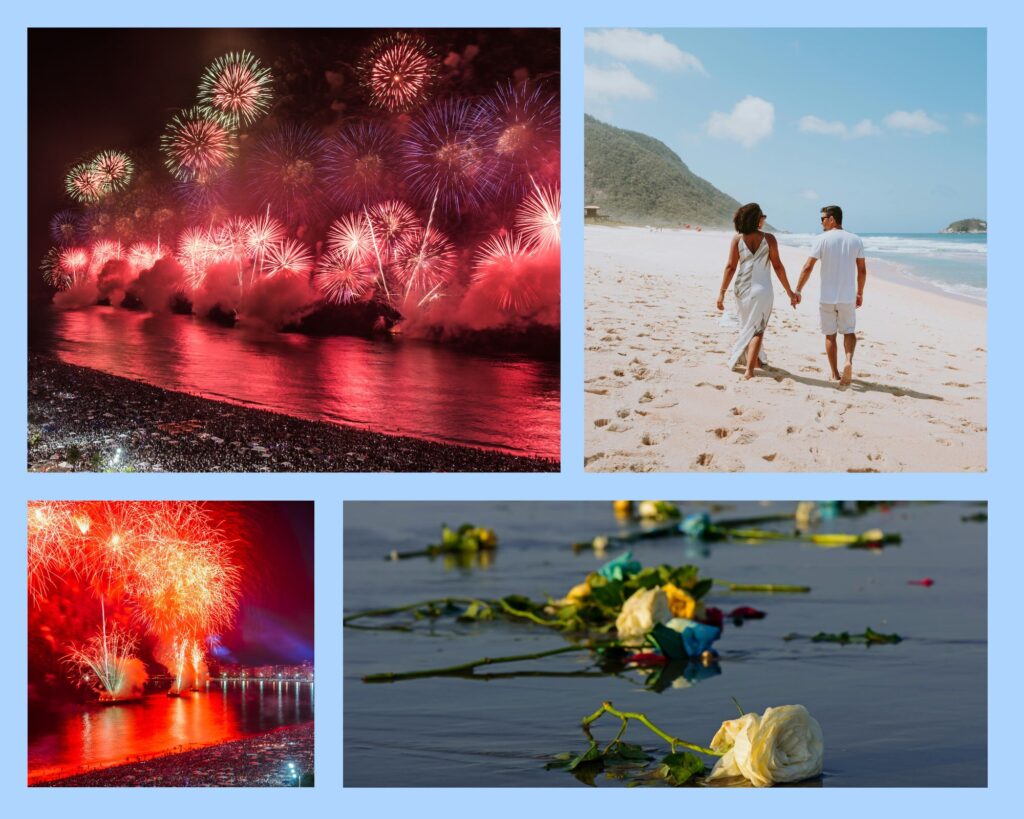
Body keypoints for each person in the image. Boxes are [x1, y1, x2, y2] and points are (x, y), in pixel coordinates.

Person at [717, 202, 799, 379]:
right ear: (757, 219)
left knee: (747, 325)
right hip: (762, 290)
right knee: (758, 329)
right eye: (763, 216)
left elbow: (730, 267)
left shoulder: (737, 239)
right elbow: (777, 266)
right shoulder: (769, 239)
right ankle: (749, 370)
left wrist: (722, 292)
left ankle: (756, 361)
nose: (764, 219)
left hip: (741, 289)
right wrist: (789, 291)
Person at [794, 205, 867, 385]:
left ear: (832, 219)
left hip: (827, 297)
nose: (821, 222)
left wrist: (798, 290)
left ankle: (835, 374)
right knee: (849, 331)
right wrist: (860, 292)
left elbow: (808, 267)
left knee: (830, 335)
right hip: (847, 296)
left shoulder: (821, 240)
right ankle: (848, 361)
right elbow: (862, 270)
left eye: (823, 219)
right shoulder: (855, 240)